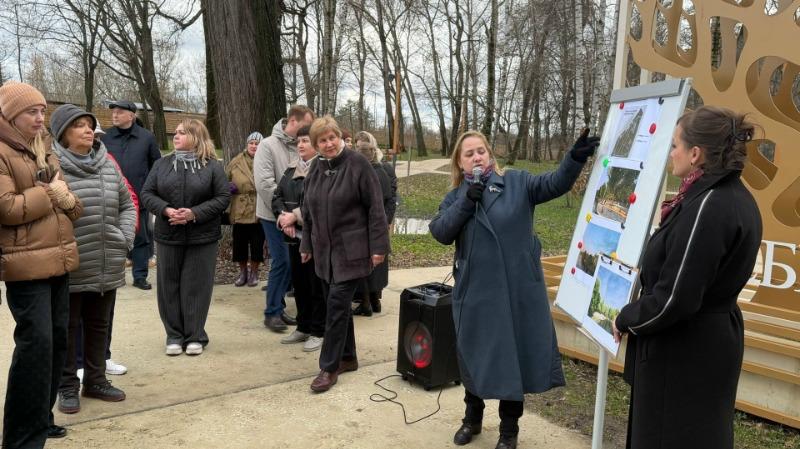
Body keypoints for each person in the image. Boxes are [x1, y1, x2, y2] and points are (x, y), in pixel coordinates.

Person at [429, 129, 599, 449]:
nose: (477, 156)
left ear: (490, 154)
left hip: (515, 292)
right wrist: (468, 199)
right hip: (476, 296)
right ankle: (472, 418)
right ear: (460, 163)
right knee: (475, 358)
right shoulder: (456, 197)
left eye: (481, 150)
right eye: (469, 154)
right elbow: (441, 232)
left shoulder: (518, 182)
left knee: (513, 361)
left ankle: (509, 431)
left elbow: (555, 183)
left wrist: (575, 158)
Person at [612, 106, 762, 449]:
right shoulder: (731, 197)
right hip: (704, 344)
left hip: (683, 353)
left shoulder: (710, 205)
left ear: (695, 154)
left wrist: (626, 317)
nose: (671, 153)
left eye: (675, 145)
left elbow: (673, 298)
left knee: (671, 436)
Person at [0, 81, 83, 447]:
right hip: (25, 266)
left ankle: (41, 417)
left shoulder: (44, 150)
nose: (40, 118)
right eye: (31, 112)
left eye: (41, 111)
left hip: (59, 259)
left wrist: (66, 200)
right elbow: (6, 208)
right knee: (35, 347)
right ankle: (20, 438)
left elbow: (72, 207)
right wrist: (50, 194)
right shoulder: (2, 152)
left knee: (56, 344)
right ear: (11, 115)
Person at [49, 104, 137, 414]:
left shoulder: (107, 164)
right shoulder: (52, 166)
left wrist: (124, 238)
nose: (89, 130)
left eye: (90, 125)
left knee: (100, 325)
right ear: (62, 133)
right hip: (71, 263)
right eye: (79, 126)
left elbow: (127, 204)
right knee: (68, 327)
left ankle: (96, 381)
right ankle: (67, 386)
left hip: (106, 260)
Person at [300, 116, 390, 393]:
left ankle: (329, 366)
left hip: (351, 250)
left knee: (336, 307)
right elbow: (309, 211)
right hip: (324, 252)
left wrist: (378, 247)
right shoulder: (316, 167)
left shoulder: (358, 164)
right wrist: (306, 245)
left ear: (340, 137)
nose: (328, 144)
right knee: (336, 307)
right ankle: (348, 357)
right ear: (316, 145)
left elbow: (376, 208)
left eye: (332, 138)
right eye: (322, 140)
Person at [141, 119, 230, 356]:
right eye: (176, 133)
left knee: (196, 286)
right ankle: (174, 335)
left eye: (182, 133)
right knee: (168, 285)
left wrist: (193, 214)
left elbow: (223, 197)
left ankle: (195, 336)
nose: (176, 136)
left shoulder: (212, 166)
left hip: (202, 236)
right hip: (168, 234)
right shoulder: (162, 164)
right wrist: (167, 210)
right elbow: (147, 194)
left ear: (196, 137)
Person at [254, 105, 315, 332]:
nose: (309, 131)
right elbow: (264, 184)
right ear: (293, 122)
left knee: (292, 263)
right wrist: (283, 215)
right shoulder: (268, 145)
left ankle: (278, 308)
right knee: (282, 262)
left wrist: (295, 216)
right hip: (273, 216)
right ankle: (271, 313)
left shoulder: (298, 145)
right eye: (306, 125)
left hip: (295, 217)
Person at [272, 125, 325, 352]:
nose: (301, 145)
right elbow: (277, 197)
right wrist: (283, 219)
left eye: (306, 141)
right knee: (300, 286)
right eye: (299, 141)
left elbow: (319, 204)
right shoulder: (290, 170)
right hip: (293, 238)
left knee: (316, 286)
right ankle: (303, 326)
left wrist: (293, 218)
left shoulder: (323, 170)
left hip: (314, 239)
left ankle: (318, 330)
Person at [101, 100, 160, 291]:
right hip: (110, 196)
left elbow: (156, 166)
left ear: (131, 115)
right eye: (113, 112)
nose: (115, 115)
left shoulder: (146, 138)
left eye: (119, 112)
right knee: (110, 238)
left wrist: (149, 191)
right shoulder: (105, 138)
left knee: (140, 238)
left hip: (139, 198)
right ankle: (112, 276)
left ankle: (140, 276)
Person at [352, 131, 397, 316]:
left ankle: (367, 303)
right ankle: (373, 301)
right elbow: (388, 197)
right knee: (375, 265)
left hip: (367, 226)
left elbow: (387, 198)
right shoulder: (380, 171)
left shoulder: (372, 172)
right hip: (377, 224)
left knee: (366, 265)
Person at [226, 132, 266, 287]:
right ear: (247, 144)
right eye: (252, 143)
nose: (254, 146)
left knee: (257, 243)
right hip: (240, 207)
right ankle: (242, 273)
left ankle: (254, 272)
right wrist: (229, 187)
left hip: (259, 206)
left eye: (257, 143)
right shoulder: (236, 161)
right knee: (239, 243)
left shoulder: (265, 160)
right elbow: (225, 179)